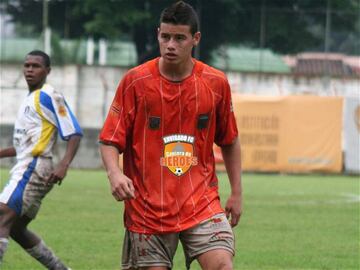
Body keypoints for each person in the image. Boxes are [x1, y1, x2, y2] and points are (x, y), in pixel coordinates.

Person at [99, 1, 242, 269]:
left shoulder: (215, 83)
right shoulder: (135, 82)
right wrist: (114, 173)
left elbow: (230, 140)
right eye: (165, 37)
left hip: (201, 202)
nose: (170, 45)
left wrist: (237, 192)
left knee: (223, 265)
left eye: (179, 38)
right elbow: (109, 139)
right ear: (157, 35)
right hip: (147, 209)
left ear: (195, 39)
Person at [0, 50, 82, 269]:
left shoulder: (49, 95)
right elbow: (22, 147)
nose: (29, 69)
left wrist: (64, 164)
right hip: (27, 164)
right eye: (26, 65)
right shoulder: (30, 99)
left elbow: (73, 132)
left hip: (35, 167)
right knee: (16, 228)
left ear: (48, 71)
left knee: (2, 216)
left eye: (35, 66)